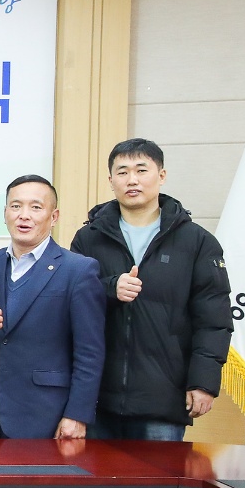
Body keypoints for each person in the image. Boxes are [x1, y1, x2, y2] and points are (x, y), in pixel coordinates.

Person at [70, 138, 233, 440]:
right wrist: (109, 288)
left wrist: (203, 382)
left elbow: (214, 320)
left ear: (162, 175)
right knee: (92, 472)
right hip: (96, 399)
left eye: (141, 170)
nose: (132, 180)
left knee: (158, 473)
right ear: (111, 181)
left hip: (163, 400)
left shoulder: (196, 242)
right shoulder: (89, 238)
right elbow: (70, 302)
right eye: (122, 172)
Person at [0, 175, 105, 439]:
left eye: (36, 207)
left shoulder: (78, 270)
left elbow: (90, 352)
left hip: (45, 413)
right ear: (5, 213)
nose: (24, 215)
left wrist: (77, 414)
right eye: (16, 206)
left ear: (54, 216)